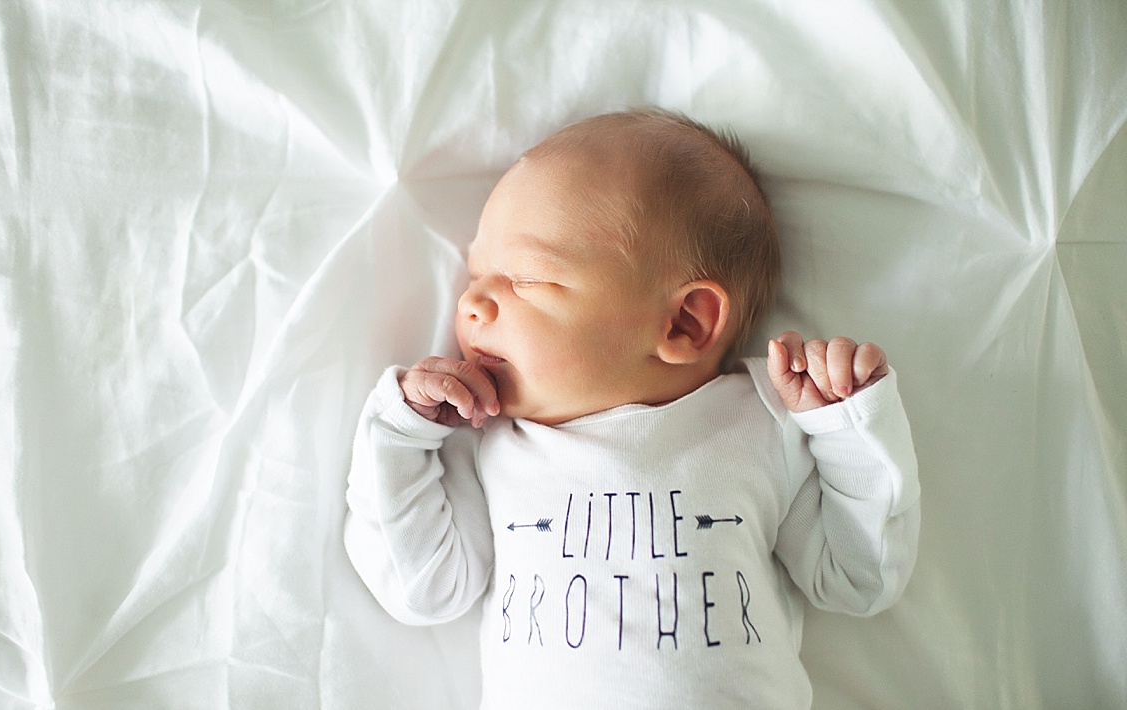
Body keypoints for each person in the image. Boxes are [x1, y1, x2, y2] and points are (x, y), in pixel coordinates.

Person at [344, 109, 920, 709]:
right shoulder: (488, 439)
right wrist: (401, 435)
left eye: (528, 278)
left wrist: (846, 427)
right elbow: (422, 589)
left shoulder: (760, 420)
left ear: (684, 322)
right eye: (476, 275)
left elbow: (860, 579)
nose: (473, 303)